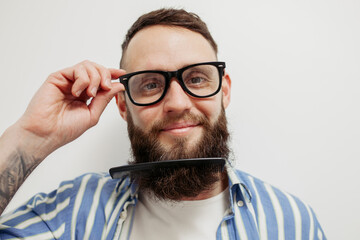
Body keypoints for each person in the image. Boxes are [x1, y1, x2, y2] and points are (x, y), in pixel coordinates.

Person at [0, 8, 326, 240]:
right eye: (151, 84)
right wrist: (31, 137)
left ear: (223, 91)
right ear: (123, 104)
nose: (177, 103)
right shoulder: (72, 212)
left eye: (196, 78)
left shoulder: (292, 223)